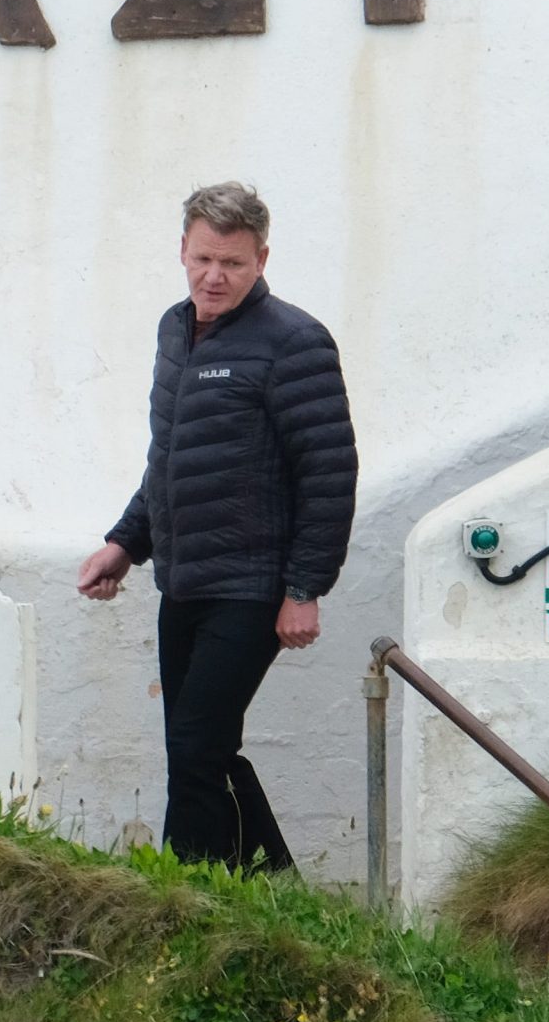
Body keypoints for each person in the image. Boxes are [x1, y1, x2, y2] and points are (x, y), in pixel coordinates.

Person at [74, 182, 356, 874]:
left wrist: (304, 587)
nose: (214, 275)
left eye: (232, 262)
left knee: (198, 745)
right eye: (203, 258)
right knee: (198, 745)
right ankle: (264, 881)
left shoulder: (294, 342)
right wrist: (125, 543)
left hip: (252, 586)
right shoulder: (175, 330)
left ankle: (187, 895)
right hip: (185, 578)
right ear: (182, 251)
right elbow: (171, 458)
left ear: (261, 258)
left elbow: (329, 472)